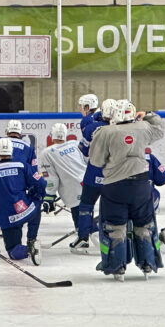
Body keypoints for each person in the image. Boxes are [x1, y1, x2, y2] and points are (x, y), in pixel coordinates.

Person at [88, 100, 165, 280]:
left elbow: (96, 161)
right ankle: (148, 263)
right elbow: (160, 128)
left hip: (115, 187)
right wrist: (147, 112)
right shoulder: (143, 127)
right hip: (141, 186)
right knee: (144, 225)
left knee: (115, 228)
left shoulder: (105, 132)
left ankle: (117, 266)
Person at [0, 138, 46, 264]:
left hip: (8, 218)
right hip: (26, 210)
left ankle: (28, 250)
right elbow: (40, 182)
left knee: (14, 252)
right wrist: (39, 196)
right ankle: (32, 239)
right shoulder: (22, 165)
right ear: (11, 151)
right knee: (36, 203)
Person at [72, 96, 115, 254]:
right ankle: (115, 236)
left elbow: (83, 150)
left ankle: (83, 238)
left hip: (94, 172)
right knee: (114, 205)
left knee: (86, 205)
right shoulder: (123, 129)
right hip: (115, 174)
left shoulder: (91, 127)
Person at [38, 123, 86, 234]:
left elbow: (51, 178)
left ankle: (83, 236)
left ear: (52, 135)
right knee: (88, 211)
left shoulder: (47, 153)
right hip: (88, 183)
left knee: (79, 214)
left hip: (73, 188)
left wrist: (50, 195)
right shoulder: (76, 144)